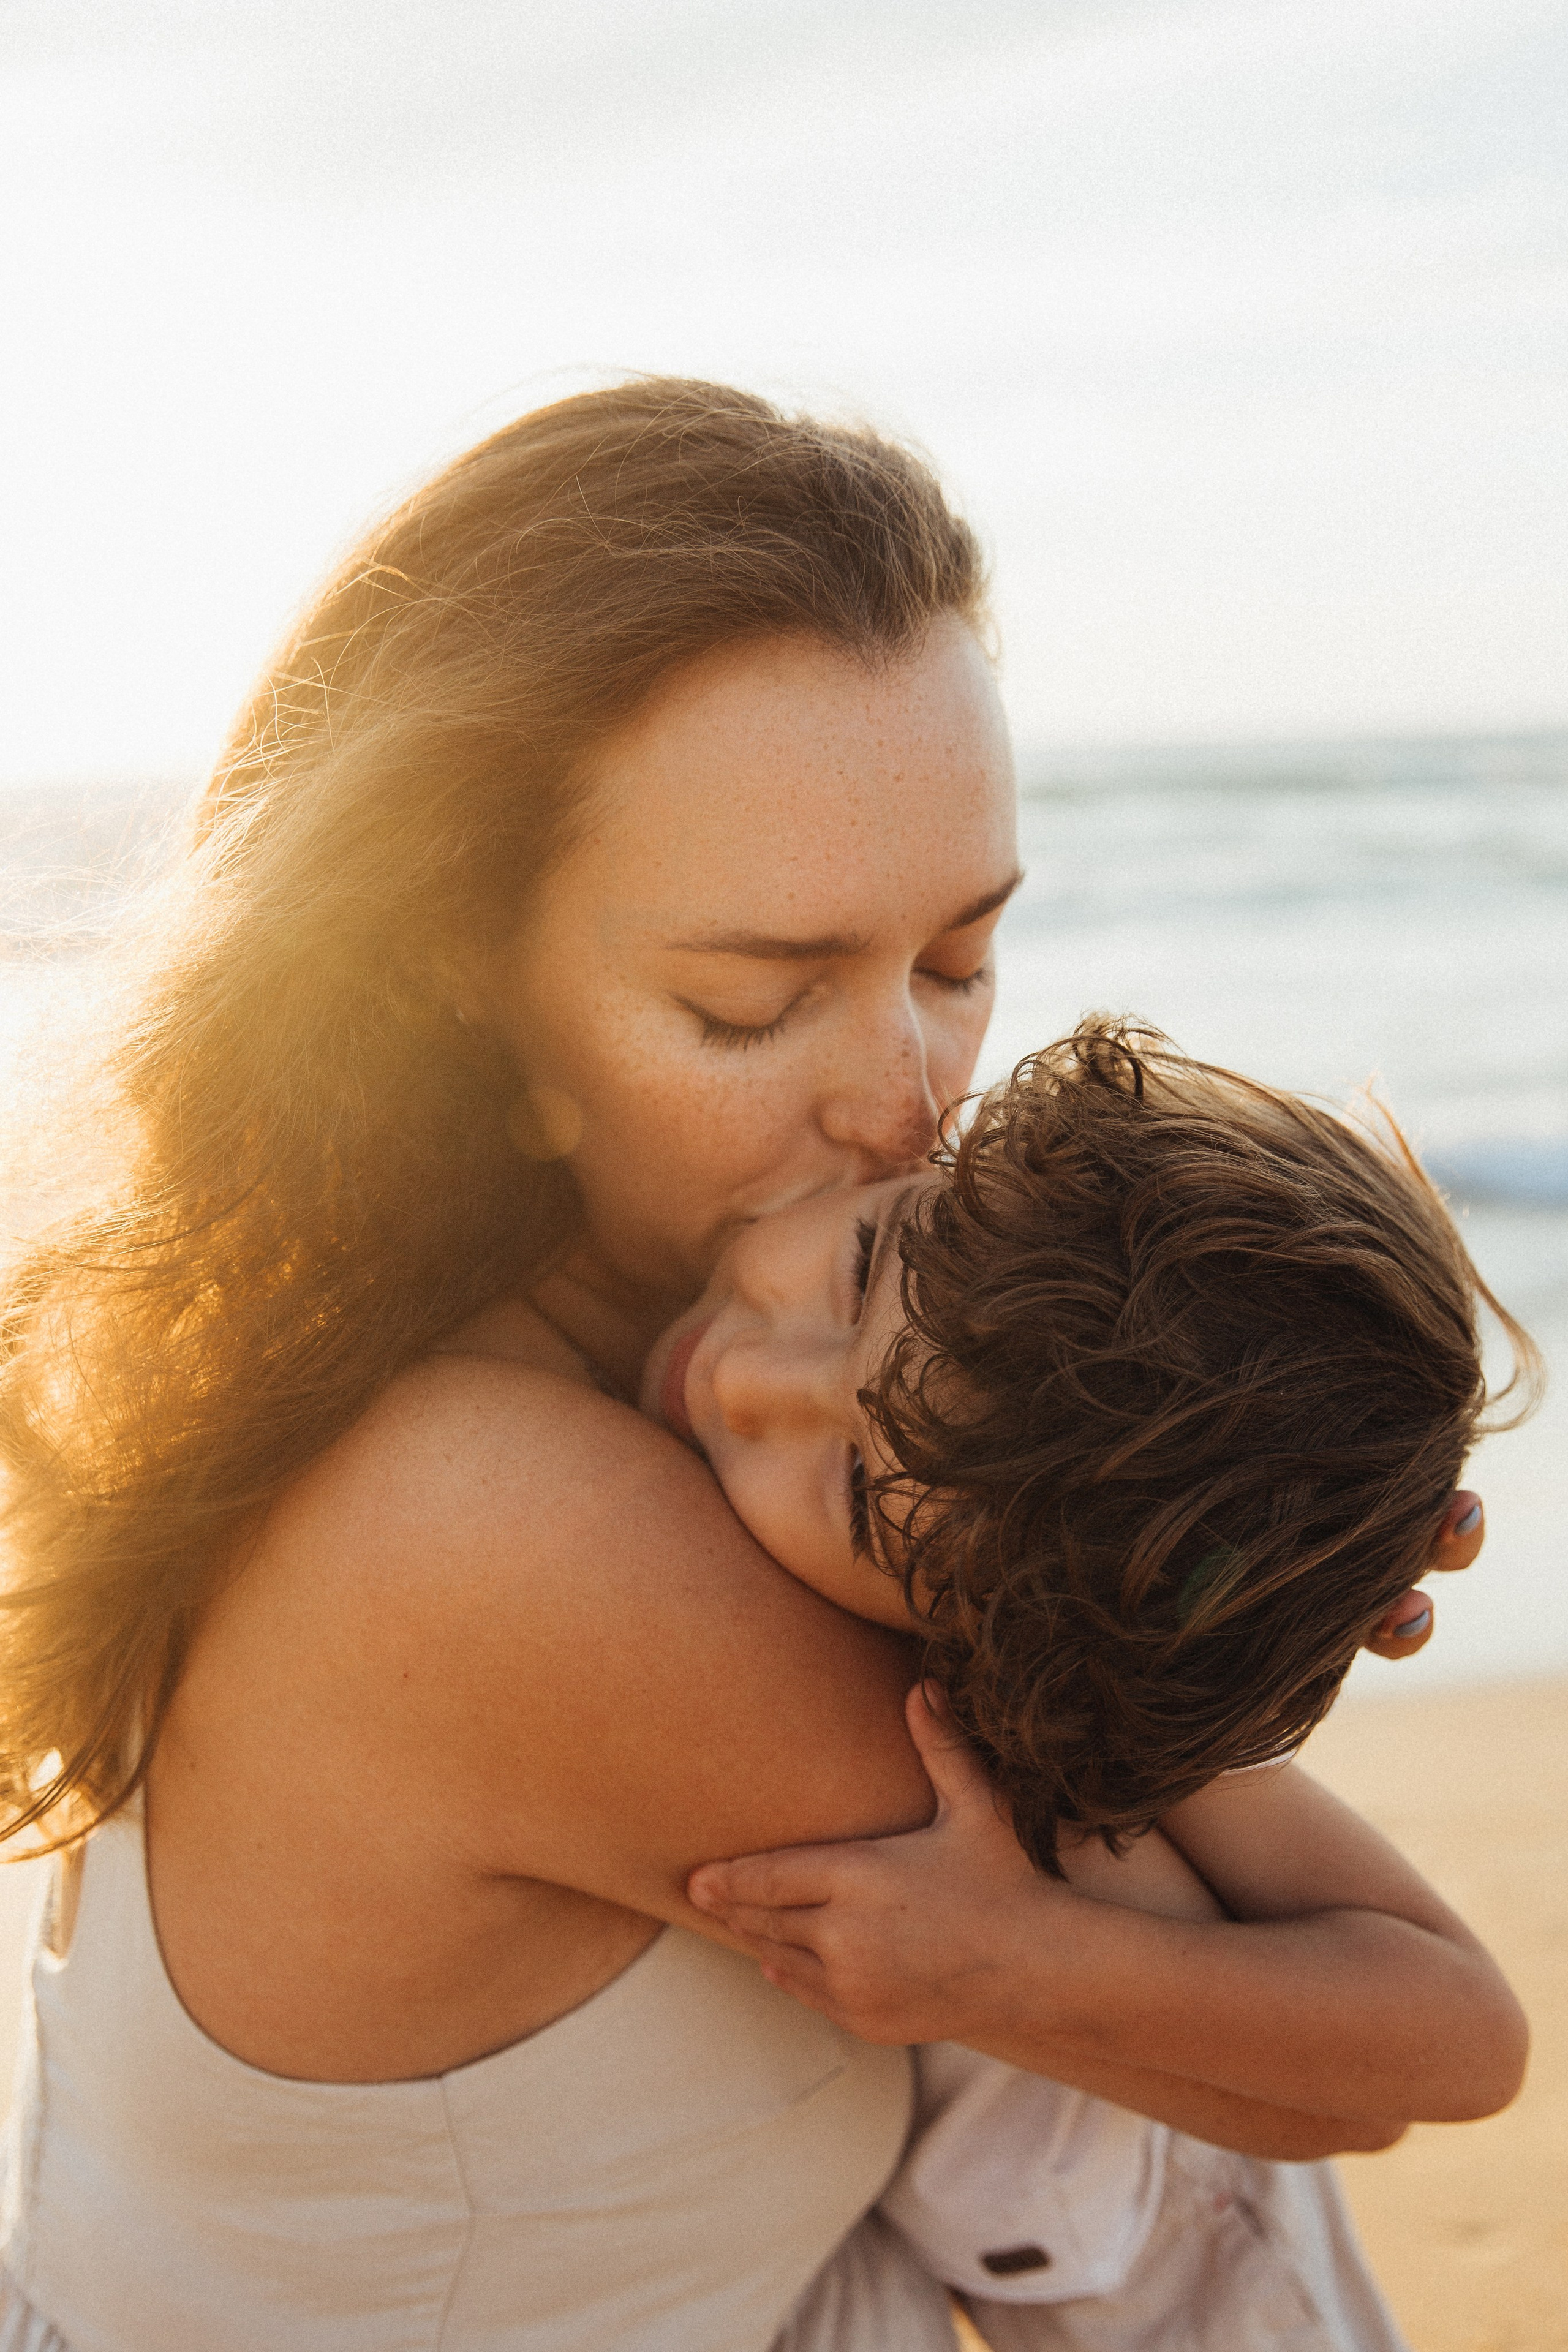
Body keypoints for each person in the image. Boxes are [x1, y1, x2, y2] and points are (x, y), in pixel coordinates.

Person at [0, 381, 1520, 2352]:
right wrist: (1186, 1637)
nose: (908, 1108)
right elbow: (1348, 2075)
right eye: (751, 1000)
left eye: (959, 964)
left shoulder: (623, 1357)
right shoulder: (498, 1524)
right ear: (447, 967)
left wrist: (1252, 1540)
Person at [641, 1017, 1536, 2346]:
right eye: (859, 1259)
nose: (747, 1378)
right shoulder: (1006, 1434)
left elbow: (1461, 2046)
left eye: (849, 1494)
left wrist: (1007, 1959)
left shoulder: (1036, 1657)